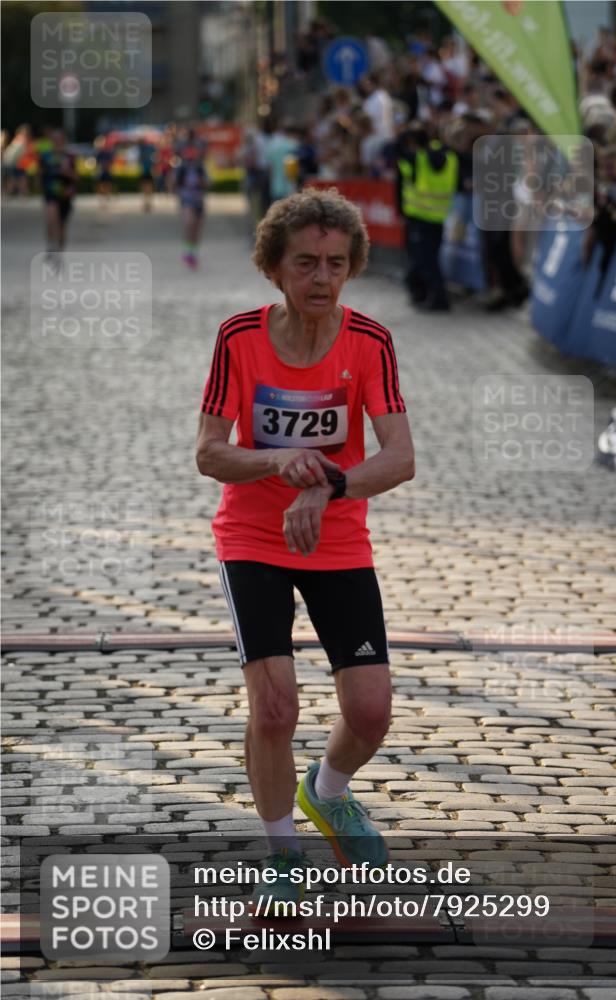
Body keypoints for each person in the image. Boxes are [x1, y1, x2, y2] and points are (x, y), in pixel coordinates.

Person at [196, 187, 415, 912]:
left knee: (372, 709)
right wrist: (275, 464)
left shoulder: (369, 343)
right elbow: (209, 453)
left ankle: (326, 792)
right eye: (304, 264)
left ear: (350, 267)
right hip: (253, 537)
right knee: (274, 708)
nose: (321, 279)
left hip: (337, 537)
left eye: (334, 264)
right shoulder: (240, 338)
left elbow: (400, 458)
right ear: (273, 269)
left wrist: (328, 484)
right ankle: (281, 855)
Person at [397, 122, 459, 311]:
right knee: (431, 260)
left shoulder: (417, 159)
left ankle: (438, 300)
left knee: (425, 261)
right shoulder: (449, 157)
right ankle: (428, 296)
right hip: (439, 217)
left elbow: (398, 154)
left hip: (420, 217)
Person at [39, 129, 77, 262]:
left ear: (64, 141)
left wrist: (67, 172)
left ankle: (60, 251)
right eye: (54, 140)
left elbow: (77, 177)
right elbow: (40, 173)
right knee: (51, 218)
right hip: (50, 194)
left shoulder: (70, 157)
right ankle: (50, 246)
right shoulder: (45, 156)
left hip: (66, 195)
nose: (57, 143)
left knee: (62, 225)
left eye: (59, 140)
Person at [174, 133, 208, 268]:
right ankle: (187, 251)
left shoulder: (201, 167)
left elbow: (208, 183)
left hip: (199, 200)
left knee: (196, 229)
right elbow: (173, 183)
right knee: (189, 223)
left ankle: (193, 252)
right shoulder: (181, 167)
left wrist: (202, 182)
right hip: (186, 199)